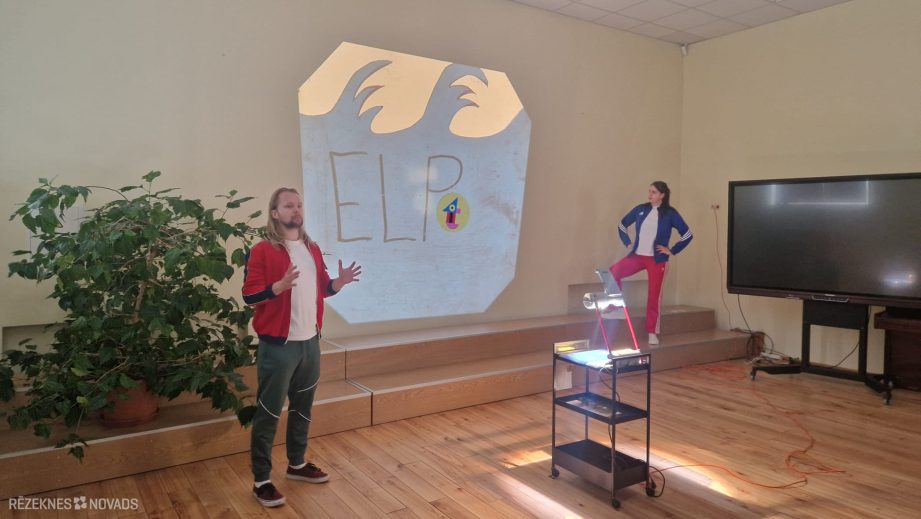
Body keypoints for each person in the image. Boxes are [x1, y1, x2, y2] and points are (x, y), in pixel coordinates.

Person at [242, 187, 361, 508]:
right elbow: (249, 295)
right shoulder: (261, 251)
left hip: (310, 342)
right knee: (268, 413)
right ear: (275, 213)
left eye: (299, 205)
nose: (296, 210)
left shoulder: (312, 248)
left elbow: (323, 288)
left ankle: (296, 464)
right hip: (278, 347)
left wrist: (338, 283)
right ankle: (261, 481)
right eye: (288, 206)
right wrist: (277, 287)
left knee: (302, 409)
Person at [609, 181, 692, 345]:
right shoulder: (641, 209)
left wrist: (672, 250)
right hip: (638, 256)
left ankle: (652, 332)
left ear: (662, 195)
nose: (650, 195)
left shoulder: (670, 213)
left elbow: (687, 234)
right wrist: (628, 243)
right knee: (613, 272)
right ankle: (616, 308)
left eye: (653, 192)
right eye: (649, 191)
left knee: (654, 297)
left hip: (657, 260)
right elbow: (622, 225)